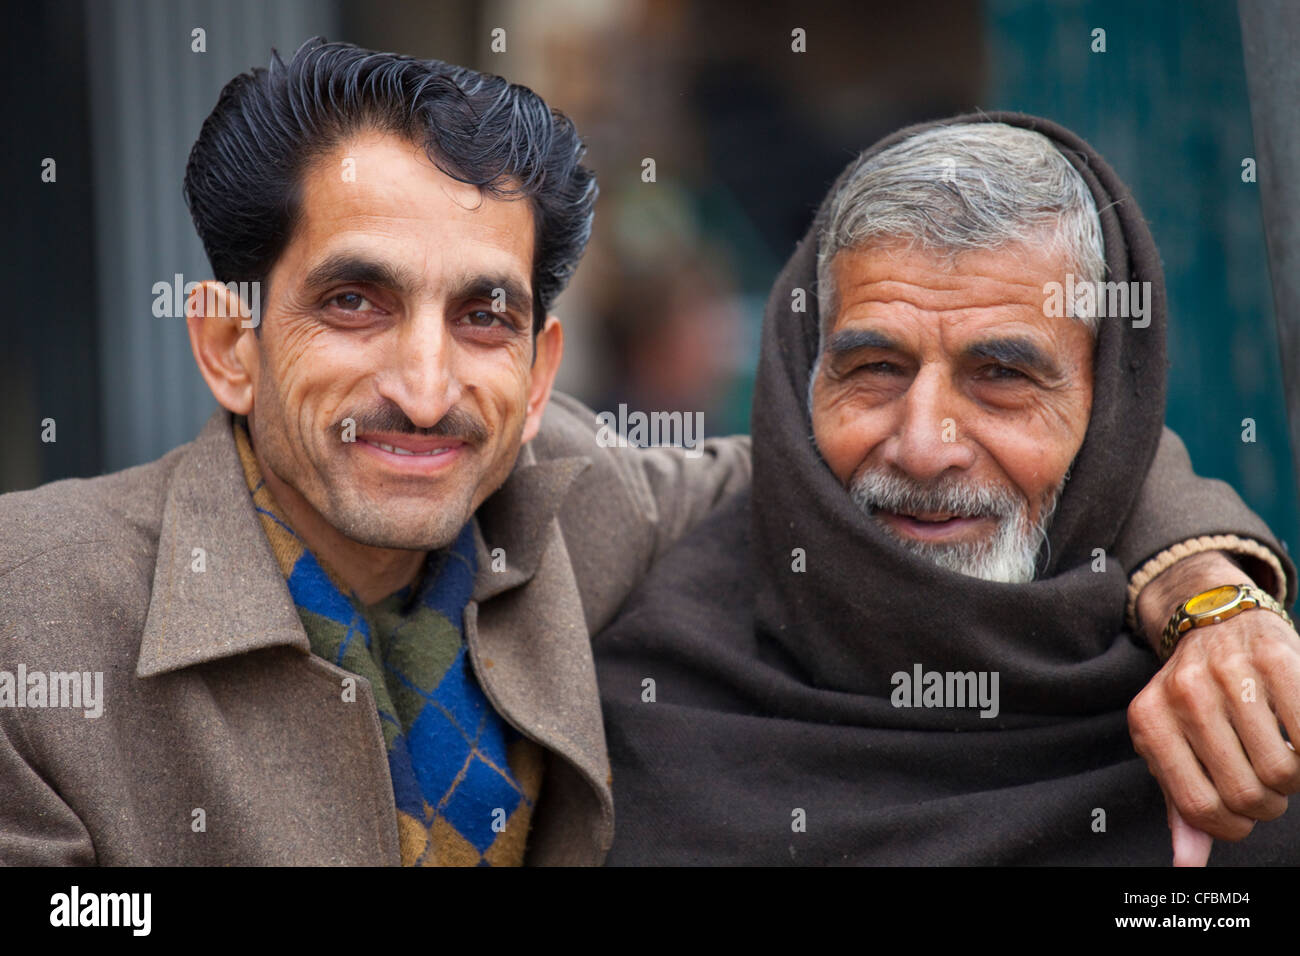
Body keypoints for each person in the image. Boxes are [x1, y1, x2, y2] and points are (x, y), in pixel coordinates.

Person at [0, 42, 1286, 866]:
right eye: (354, 303)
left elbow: (944, 470)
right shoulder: (29, 620)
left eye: (484, 315)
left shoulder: (575, 505)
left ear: (541, 372)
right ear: (227, 343)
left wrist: (1208, 590)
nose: (425, 387)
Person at [594, 114, 1300, 865]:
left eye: (1002, 375)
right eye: (876, 369)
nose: (925, 448)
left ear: (1108, 411)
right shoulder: (637, 701)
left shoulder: (1235, 722)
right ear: (803, 373)